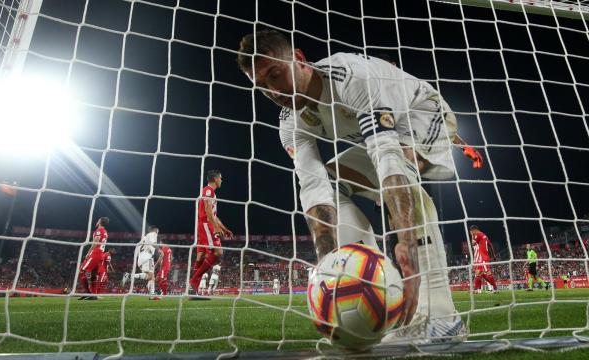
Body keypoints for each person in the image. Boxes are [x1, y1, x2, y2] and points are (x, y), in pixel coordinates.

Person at [237, 30, 468, 340]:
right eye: (262, 86)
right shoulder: (290, 122)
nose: (273, 91)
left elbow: (386, 158)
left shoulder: (351, 78)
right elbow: (314, 188)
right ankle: (374, 278)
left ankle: (443, 316)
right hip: (381, 139)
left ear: (300, 60)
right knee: (331, 182)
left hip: (422, 113)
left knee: (399, 162)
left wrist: (405, 242)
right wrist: (328, 265)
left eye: (275, 75)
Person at [189, 170, 233, 293]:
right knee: (218, 252)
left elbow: (214, 215)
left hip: (203, 224)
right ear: (215, 178)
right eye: (220, 178)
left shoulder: (210, 192)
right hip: (205, 224)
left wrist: (224, 229)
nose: (221, 180)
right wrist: (215, 228)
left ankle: (193, 288)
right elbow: (208, 211)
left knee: (201, 254)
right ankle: (194, 279)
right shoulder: (209, 190)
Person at [122, 225, 159, 300]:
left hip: (141, 259)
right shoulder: (152, 234)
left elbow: (136, 249)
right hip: (147, 256)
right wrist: (159, 250)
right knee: (150, 276)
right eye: (157, 231)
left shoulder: (143, 239)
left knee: (150, 277)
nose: (157, 233)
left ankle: (152, 295)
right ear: (155, 230)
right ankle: (129, 275)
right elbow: (153, 243)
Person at [78, 217, 110, 300]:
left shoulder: (99, 230)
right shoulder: (105, 231)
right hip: (101, 255)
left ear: (99, 222)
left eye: (98, 220)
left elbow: (96, 241)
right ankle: (93, 295)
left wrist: (88, 252)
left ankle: (88, 293)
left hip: (95, 253)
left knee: (81, 271)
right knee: (93, 275)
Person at [469, 225, 498, 294]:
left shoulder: (478, 235)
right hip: (483, 257)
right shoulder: (484, 235)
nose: (472, 233)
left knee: (487, 273)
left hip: (482, 258)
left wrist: (472, 235)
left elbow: (473, 244)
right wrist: (494, 255)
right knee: (479, 273)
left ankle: (495, 289)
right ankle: (477, 290)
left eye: (472, 232)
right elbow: (490, 245)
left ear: (474, 230)